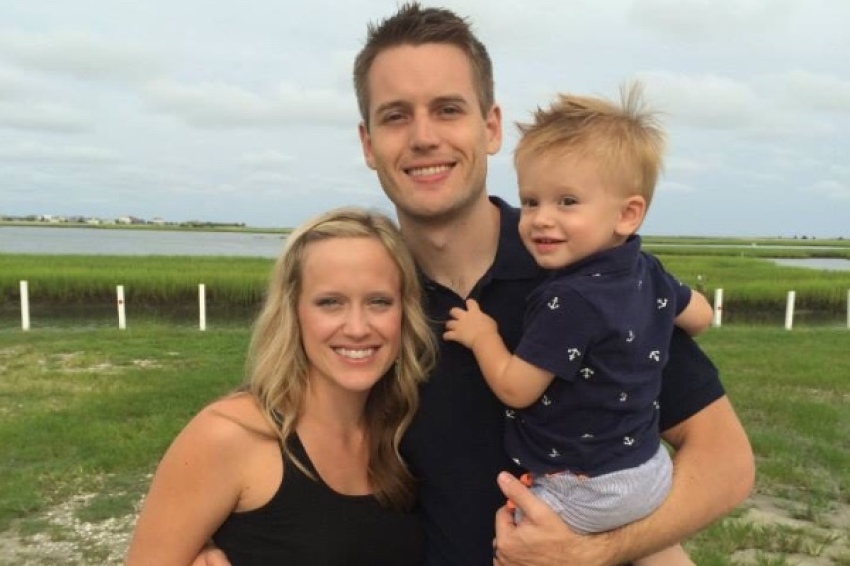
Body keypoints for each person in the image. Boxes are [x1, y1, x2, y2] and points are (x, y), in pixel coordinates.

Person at [193, 3, 754, 565]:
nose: (423, 137)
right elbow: (285, 431)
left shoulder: (585, 269)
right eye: (395, 116)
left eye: (447, 109)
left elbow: (725, 460)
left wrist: (597, 552)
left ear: (489, 127)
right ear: (368, 144)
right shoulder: (371, 301)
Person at [443, 84, 714, 565]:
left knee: (520, 549)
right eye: (530, 201)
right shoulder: (647, 271)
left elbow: (516, 388)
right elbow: (702, 316)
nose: (541, 220)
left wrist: (483, 336)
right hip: (649, 469)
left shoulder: (568, 299)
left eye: (567, 202)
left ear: (628, 213)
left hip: (584, 485)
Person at [126, 207, 437, 565]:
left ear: (404, 312)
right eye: (330, 303)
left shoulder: (402, 432)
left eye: (379, 302)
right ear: (293, 311)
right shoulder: (230, 435)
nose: (357, 327)